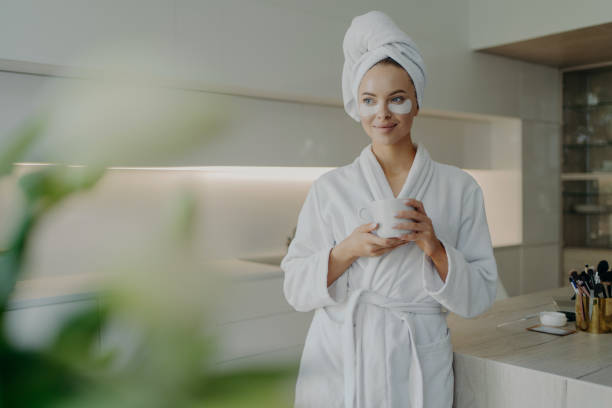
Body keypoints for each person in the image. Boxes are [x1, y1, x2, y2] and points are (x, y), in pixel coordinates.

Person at [280, 10, 498, 408]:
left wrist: (434, 246)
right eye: (369, 100)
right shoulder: (330, 188)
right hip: (341, 355)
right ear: (357, 107)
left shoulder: (460, 188)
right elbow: (295, 288)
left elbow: (480, 296)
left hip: (416, 355)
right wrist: (347, 250)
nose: (382, 114)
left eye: (397, 99)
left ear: (416, 103)